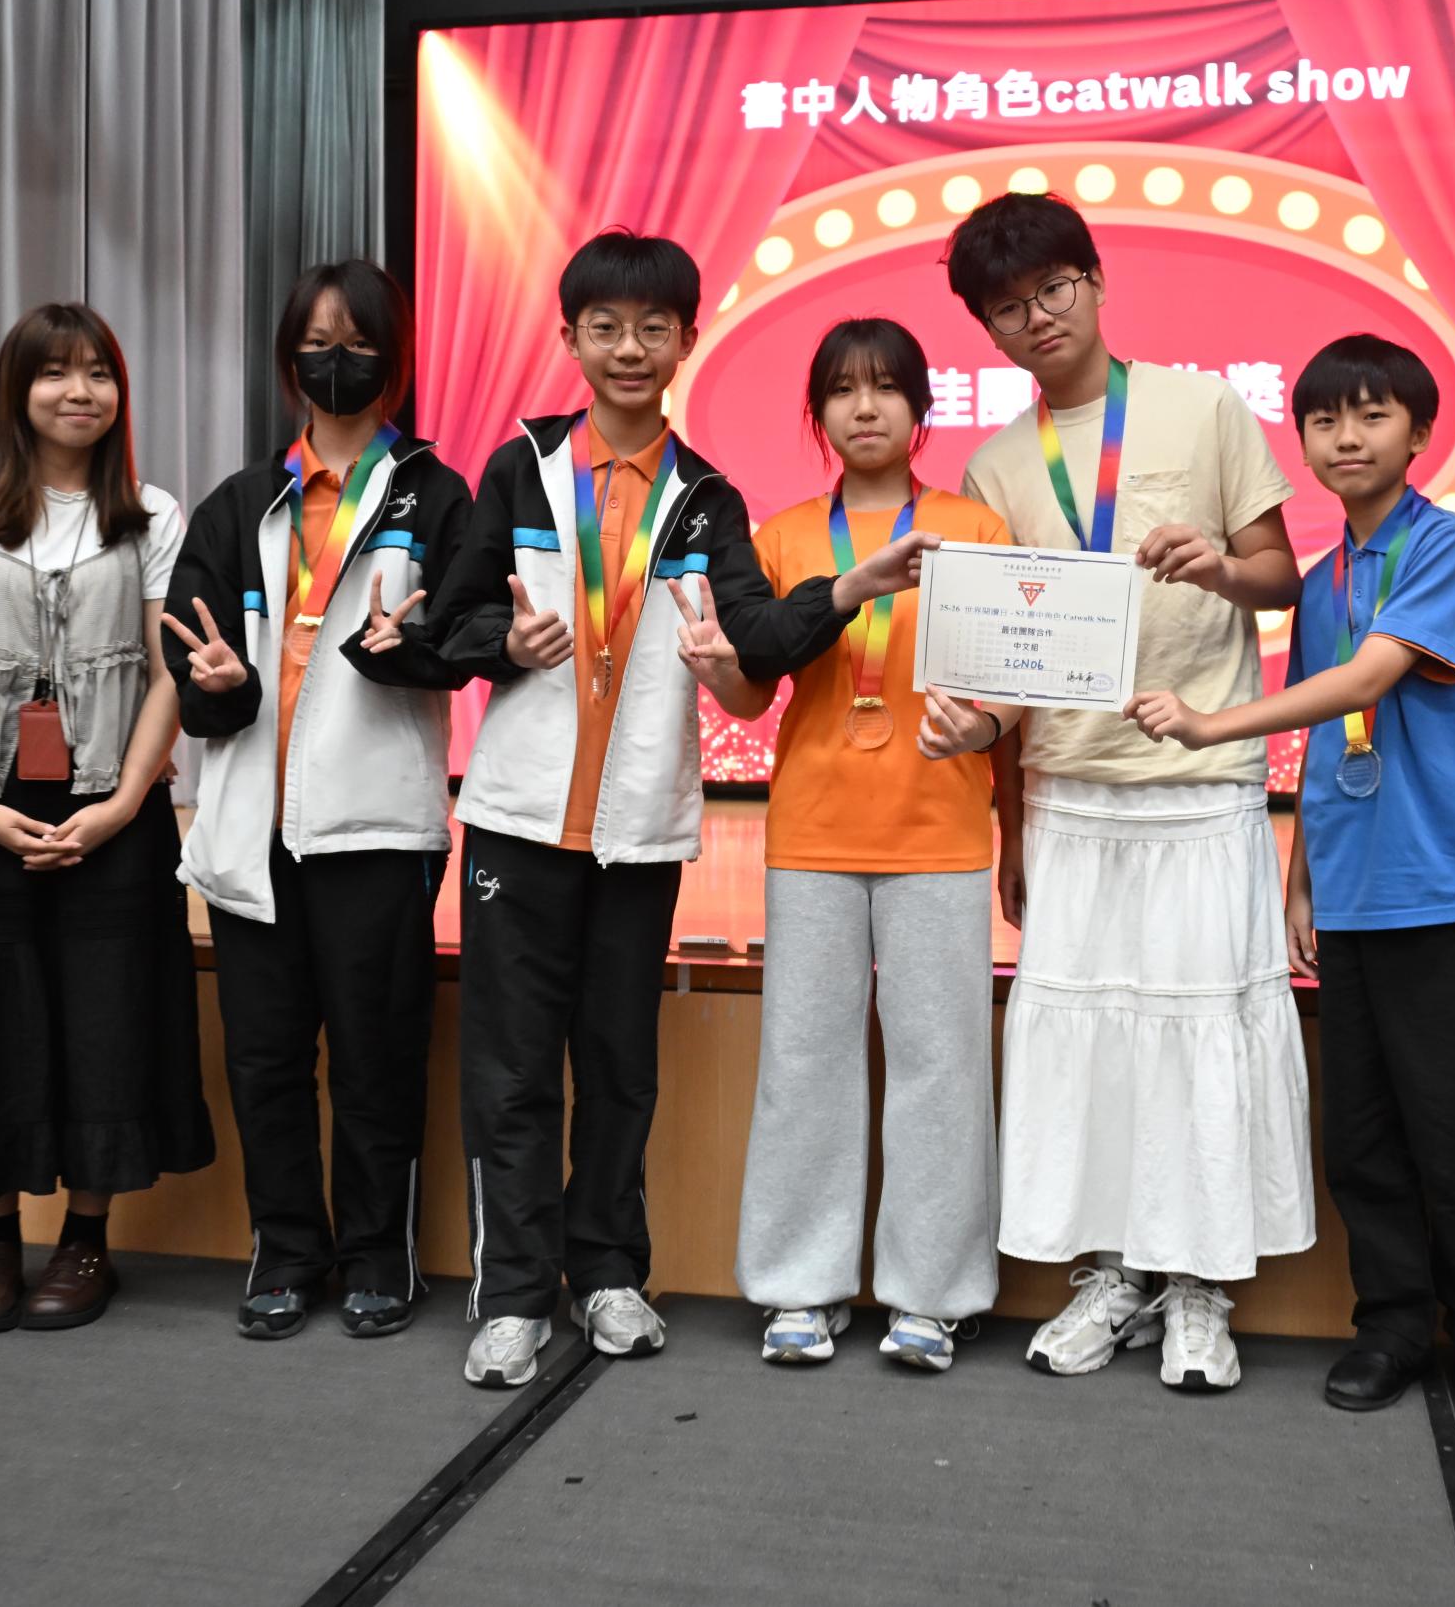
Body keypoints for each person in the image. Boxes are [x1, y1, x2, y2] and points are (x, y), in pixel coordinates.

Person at [430, 229, 934, 1389]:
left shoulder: (705, 499)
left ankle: (609, 1273)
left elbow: (755, 635)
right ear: (569, 337)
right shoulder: (519, 471)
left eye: (653, 328)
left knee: (619, 1064)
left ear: (686, 341)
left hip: (640, 831)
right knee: (511, 1068)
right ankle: (512, 1294)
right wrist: (503, 642)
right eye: (605, 327)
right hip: (516, 822)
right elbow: (450, 626)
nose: (629, 348)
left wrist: (847, 588)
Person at [941, 192, 1309, 1392]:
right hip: (1068, 792)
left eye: (1053, 288)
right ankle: (1110, 1272)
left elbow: (1281, 575)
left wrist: (1223, 566)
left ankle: (1198, 1285)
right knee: (1088, 1054)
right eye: (1007, 307)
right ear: (986, 329)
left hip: (1199, 782)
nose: (1036, 318)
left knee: (1197, 1037)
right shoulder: (994, 464)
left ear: (1095, 280)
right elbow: (1000, 662)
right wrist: (1004, 814)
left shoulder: (1204, 408)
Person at [1124, 334, 1455, 1417]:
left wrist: (1210, 723)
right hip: (1350, 896)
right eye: (1323, 420)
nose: (1346, 436)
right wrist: (1302, 877)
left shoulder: (1446, 545)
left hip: (1450, 892)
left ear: (1422, 431)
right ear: (1300, 440)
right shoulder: (1319, 580)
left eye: (1372, 414)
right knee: (1362, 1136)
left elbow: (1365, 680)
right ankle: (1390, 1327)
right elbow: (1328, 741)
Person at [0, 302, 213, 1332]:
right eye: (55, 372)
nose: (79, 392)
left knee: (105, 1014)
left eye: (98, 372)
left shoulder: (152, 513)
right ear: (17, 390)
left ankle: (86, 1239)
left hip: (111, 809)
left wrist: (123, 804)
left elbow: (169, 673)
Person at [162, 259, 471, 1342]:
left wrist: (413, 646)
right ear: (290, 357)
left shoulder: (433, 494)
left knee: (379, 1054)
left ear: (394, 361)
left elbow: (469, 633)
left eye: (360, 342)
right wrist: (219, 682)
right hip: (252, 830)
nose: (337, 359)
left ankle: (380, 1254)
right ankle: (286, 1249)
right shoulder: (241, 501)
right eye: (318, 340)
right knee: (265, 1058)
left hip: (375, 826)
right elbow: (191, 645)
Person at [722, 318, 1016, 1371]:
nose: (865, 407)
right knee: (803, 1059)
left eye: (887, 387)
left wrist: (983, 726)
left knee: (942, 1065)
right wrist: (719, 668)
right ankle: (800, 1284)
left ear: (922, 408)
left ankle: (932, 1293)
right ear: (817, 413)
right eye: (842, 390)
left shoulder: (975, 529)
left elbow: (1011, 679)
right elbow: (752, 688)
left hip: (939, 828)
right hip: (812, 828)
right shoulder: (783, 536)